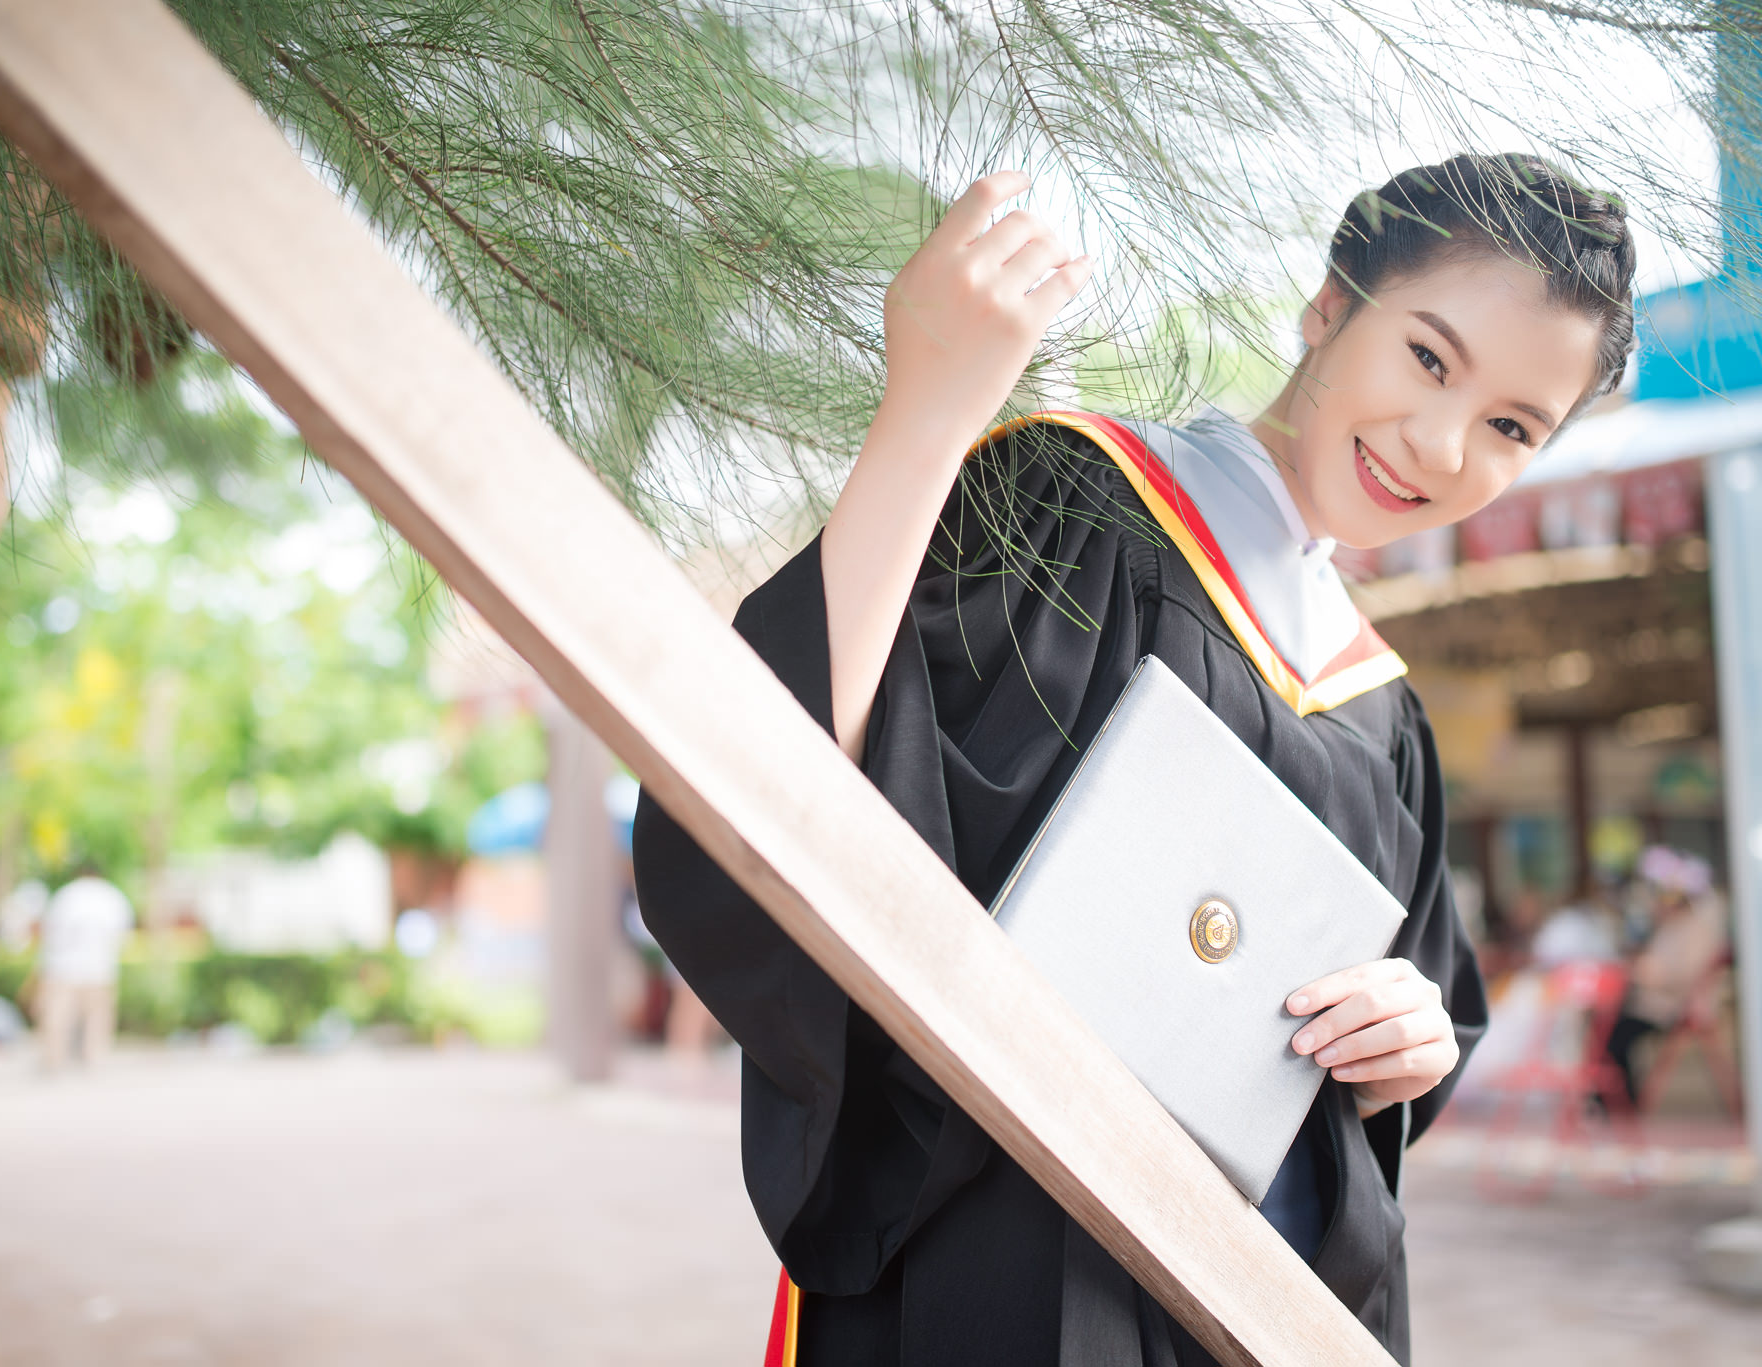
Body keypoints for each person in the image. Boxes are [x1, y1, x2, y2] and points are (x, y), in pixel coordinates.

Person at [635, 153, 1634, 1365]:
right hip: (1012, 1264)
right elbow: (789, 775)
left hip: (1253, 1301)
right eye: (1426, 356)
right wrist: (930, 413)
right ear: (1328, 305)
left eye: (1510, 427)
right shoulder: (1070, 502)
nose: (1438, 443)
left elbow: (1404, 1040)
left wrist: (1406, 1049)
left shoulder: (1382, 712)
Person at [1604, 847, 1728, 1105]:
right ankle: (1616, 1099)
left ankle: (1621, 1102)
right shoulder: (1670, 927)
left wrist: (1648, 973)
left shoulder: (1696, 930)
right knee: (1609, 1025)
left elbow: (1682, 974)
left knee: (1614, 1033)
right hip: (1656, 1002)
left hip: (1672, 1007)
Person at [35, 862, 134, 1071]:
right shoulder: (112, 896)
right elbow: (123, 934)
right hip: (101, 967)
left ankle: (54, 1059)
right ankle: (93, 1058)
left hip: (63, 967)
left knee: (58, 1016)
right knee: (97, 1018)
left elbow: (51, 934)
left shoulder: (66, 895)